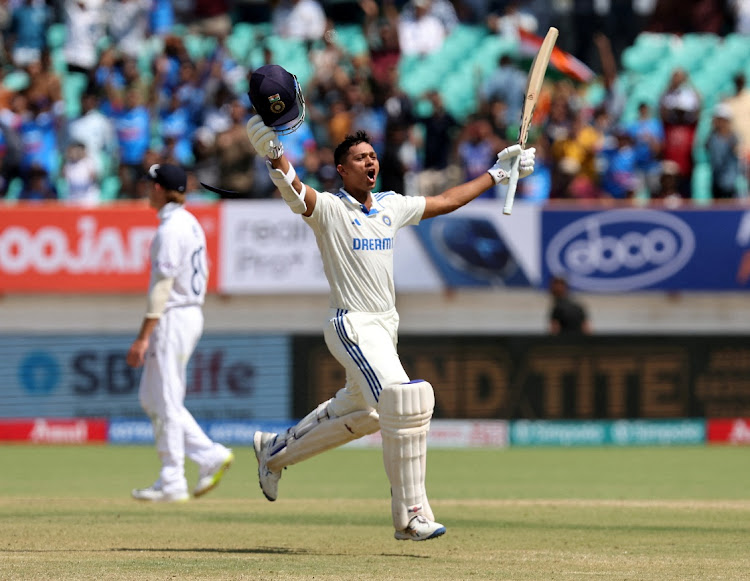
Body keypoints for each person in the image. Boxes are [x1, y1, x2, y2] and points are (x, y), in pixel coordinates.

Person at [243, 65, 535, 541]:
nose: (370, 163)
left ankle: (273, 451)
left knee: (368, 414)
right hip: (352, 325)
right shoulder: (332, 210)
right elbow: (296, 192)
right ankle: (411, 514)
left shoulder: (391, 206)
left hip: (385, 327)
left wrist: (496, 173)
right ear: (342, 170)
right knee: (407, 399)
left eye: (373, 156)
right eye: (359, 159)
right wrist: (274, 155)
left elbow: (443, 201)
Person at [127, 163, 234, 503]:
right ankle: (208, 455)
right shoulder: (189, 222)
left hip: (174, 316)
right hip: (185, 314)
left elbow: (162, 286)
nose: (146, 190)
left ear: (159, 189)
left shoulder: (171, 229)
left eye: (149, 185)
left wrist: (143, 335)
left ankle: (173, 479)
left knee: (168, 399)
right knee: (152, 398)